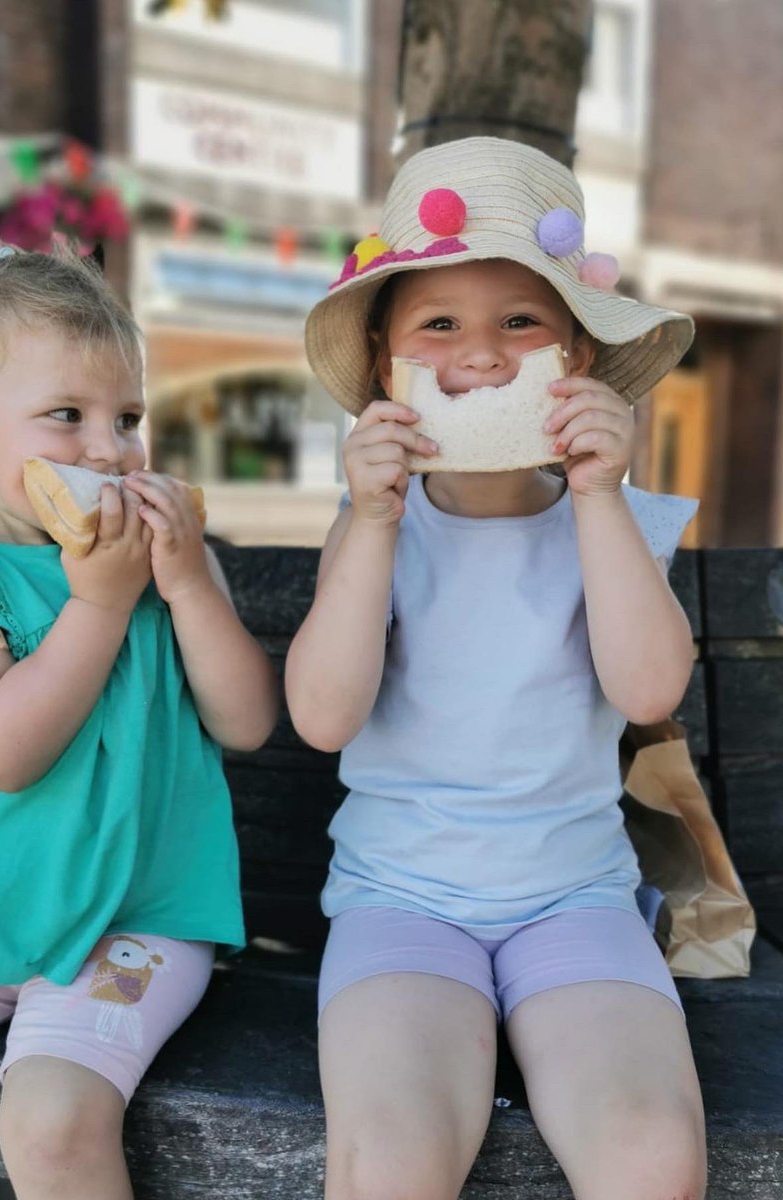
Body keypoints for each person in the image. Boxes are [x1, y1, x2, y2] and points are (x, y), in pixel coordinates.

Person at [286, 137, 707, 1200]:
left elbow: (650, 691)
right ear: (387, 370)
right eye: (441, 325)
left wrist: (602, 495)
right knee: (391, 1161)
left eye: (522, 321)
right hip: (400, 902)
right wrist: (373, 522)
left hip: (575, 900)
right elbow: (323, 716)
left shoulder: (611, 521)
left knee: (653, 1156)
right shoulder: (371, 527)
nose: (484, 353)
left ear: (577, 358)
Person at [0, 244, 278, 1200]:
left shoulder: (166, 565)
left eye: (127, 418)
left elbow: (245, 723)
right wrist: (96, 608)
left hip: (137, 929)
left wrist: (187, 583)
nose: (109, 449)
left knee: (54, 1123)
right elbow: (4, 753)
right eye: (66, 417)